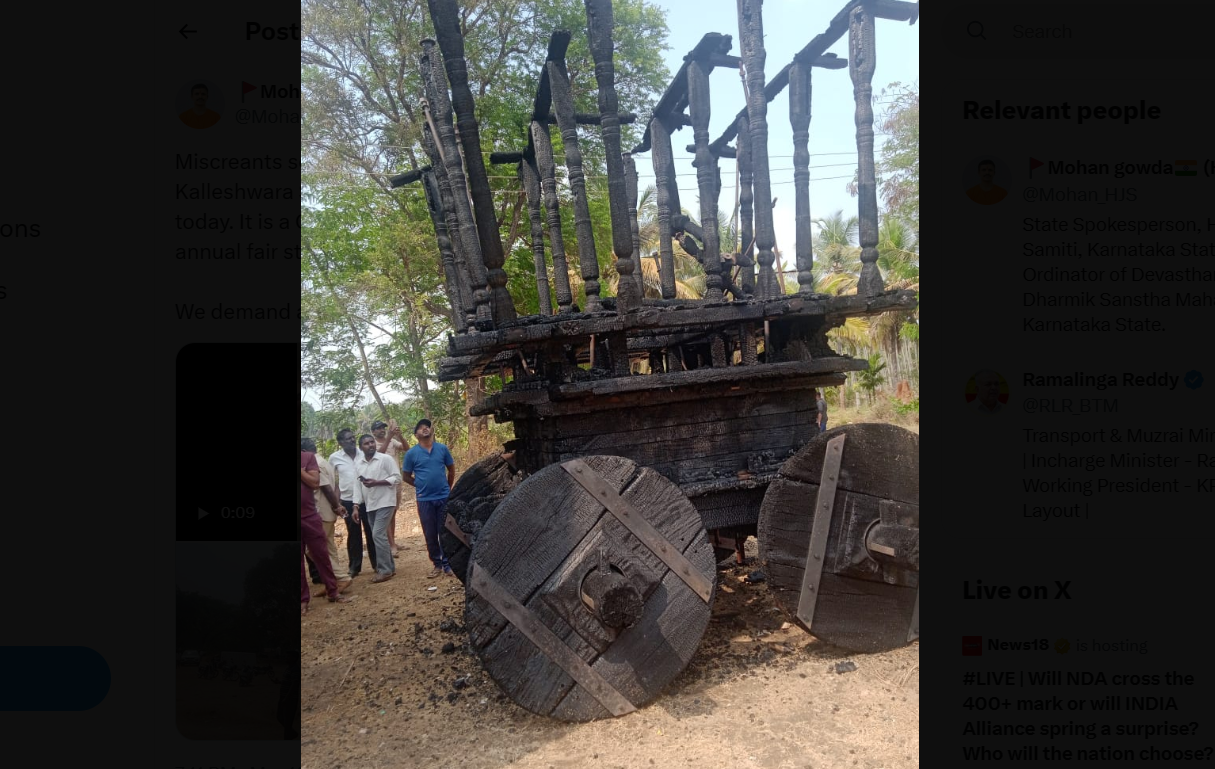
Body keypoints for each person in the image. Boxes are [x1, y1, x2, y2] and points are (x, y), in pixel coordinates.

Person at [402, 419, 457, 579]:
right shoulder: (411, 454)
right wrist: (420, 486)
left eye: (426, 426)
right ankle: (437, 564)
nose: (424, 429)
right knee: (430, 533)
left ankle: (448, 564)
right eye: (420, 428)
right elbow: (406, 476)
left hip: (443, 497)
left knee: (445, 531)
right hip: (424, 499)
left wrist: (448, 488)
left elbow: (451, 469)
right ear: (416, 435)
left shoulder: (442, 449)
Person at [300, 450, 352, 615]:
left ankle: (333, 592)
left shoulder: (308, 457)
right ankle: (303, 600)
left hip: (309, 516)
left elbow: (315, 482)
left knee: (322, 555)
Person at [353, 434, 401, 583]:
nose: (370, 445)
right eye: (366, 443)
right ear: (361, 447)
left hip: (386, 502)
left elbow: (397, 478)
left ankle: (384, 570)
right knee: (380, 536)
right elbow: (357, 486)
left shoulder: (385, 459)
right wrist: (355, 506)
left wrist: (378, 482)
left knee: (377, 535)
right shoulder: (358, 463)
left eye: (372, 442)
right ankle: (390, 568)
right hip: (370, 504)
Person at [329, 429, 372, 577]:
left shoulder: (363, 453)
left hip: (366, 499)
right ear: (340, 442)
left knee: (371, 531)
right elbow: (332, 481)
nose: (352, 440)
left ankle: (377, 564)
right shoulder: (334, 458)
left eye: (353, 438)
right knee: (353, 533)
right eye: (348, 439)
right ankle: (354, 567)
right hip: (347, 500)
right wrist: (336, 502)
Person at [372, 420, 408, 557]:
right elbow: (378, 455)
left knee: (393, 512)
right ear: (373, 432)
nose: (381, 430)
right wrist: (389, 437)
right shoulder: (372, 444)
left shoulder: (393, 442)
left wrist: (400, 436)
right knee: (386, 512)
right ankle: (391, 545)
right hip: (382, 483)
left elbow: (406, 448)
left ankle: (392, 541)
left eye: (383, 428)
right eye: (378, 428)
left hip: (396, 481)